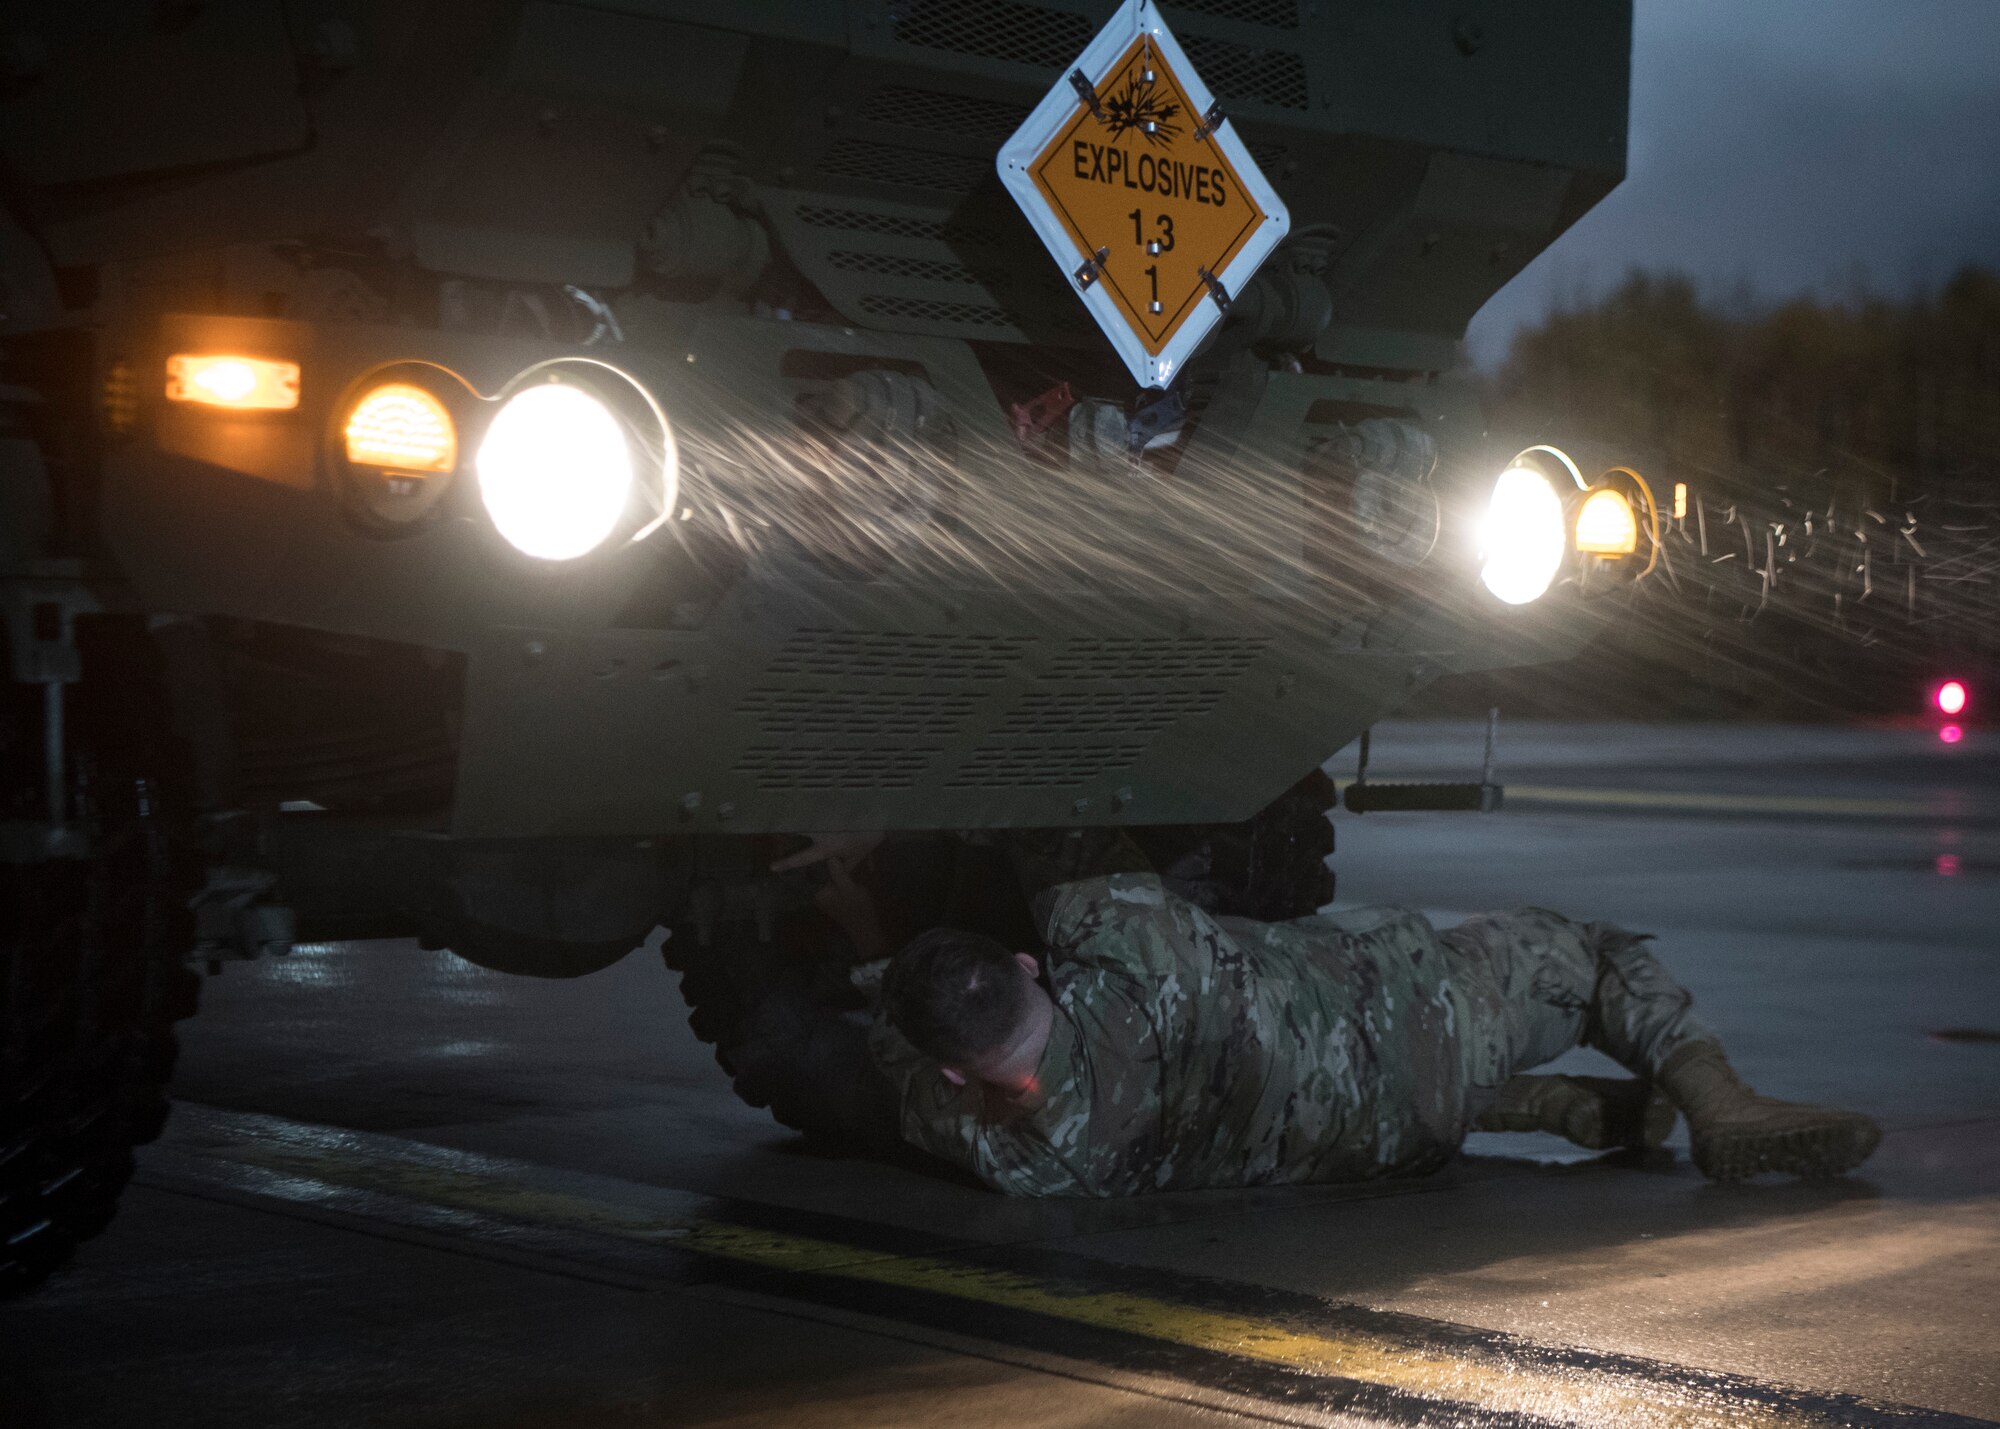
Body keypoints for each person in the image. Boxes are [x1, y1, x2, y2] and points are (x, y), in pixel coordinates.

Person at [746, 830, 1880, 1195]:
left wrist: (861, 941)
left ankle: (1535, 1104)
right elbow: (1075, 828)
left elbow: (901, 1059)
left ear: (955, 1075)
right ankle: (1718, 1102)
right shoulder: (1127, 940)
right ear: (1035, 971)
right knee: (1588, 960)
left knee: (1343, 1103)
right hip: (1426, 1003)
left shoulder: (1022, 1153)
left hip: (1396, 1135)